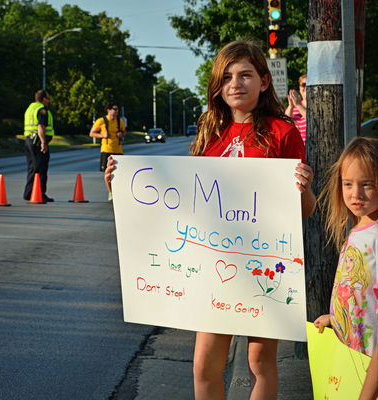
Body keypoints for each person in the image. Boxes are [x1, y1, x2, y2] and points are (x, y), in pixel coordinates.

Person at [105, 39, 316, 399]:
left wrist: (303, 188)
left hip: (265, 263)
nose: (237, 83)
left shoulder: (282, 132)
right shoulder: (210, 131)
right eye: (228, 76)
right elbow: (181, 203)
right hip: (214, 265)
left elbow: (305, 210)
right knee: (204, 366)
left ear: (264, 81)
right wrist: (121, 184)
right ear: (218, 86)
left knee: (260, 362)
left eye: (246, 75)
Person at [313, 137, 378, 400]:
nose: (356, 194)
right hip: (352, 365)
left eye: (368, 185)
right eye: (348, 184)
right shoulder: (357, 229)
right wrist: (338, 319)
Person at [89, 102, 126, 201]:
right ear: (108, 110)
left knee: (119, 173)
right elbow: (92, 133)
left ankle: (118, 191)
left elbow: (124, 132)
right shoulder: (101, 121)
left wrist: (121, 134)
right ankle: (111, 192)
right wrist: (102, 135)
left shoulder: (120, 121)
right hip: (106, 150)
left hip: (118, 150)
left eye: (117, 109)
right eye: (114, 109)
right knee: (108, 173)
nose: (116, 111)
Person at [23, 89, 54, 202]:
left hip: (28, 140)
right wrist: (43, 143)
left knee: (32, 167)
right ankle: (40, 193)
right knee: (41, 168)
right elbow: (41, 127)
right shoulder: (41, 109)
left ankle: (28, 193)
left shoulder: (30, 108)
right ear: (43, 99)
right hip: (37, 141)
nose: (49, 101)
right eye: (48, 98)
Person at [285, 74, 307, 145]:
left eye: (308, 85)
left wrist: (298, 105)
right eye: (303, 85)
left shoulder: (316, 105)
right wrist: (291, 106)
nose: (306, 87)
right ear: (299, 87)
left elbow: (313, 121)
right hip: (296, 147)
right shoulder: (294, 106)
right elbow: (285, 122)